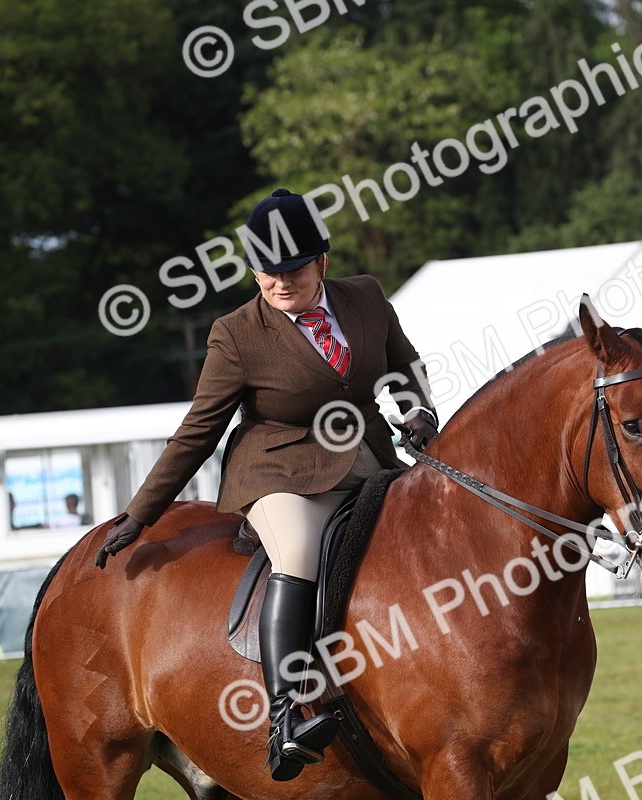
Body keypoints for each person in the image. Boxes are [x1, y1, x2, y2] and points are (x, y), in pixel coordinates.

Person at [92, 188, 438, 782]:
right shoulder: (236, 333)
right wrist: (141, 512)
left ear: (322, 262)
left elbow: (404, 367)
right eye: (267, 272)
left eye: (293, 270)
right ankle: (286, 718)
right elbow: (198, 431)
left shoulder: (367, 298)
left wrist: (417, 412)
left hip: (369, 459)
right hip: (278, 471)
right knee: (300, 549)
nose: (280, 283)